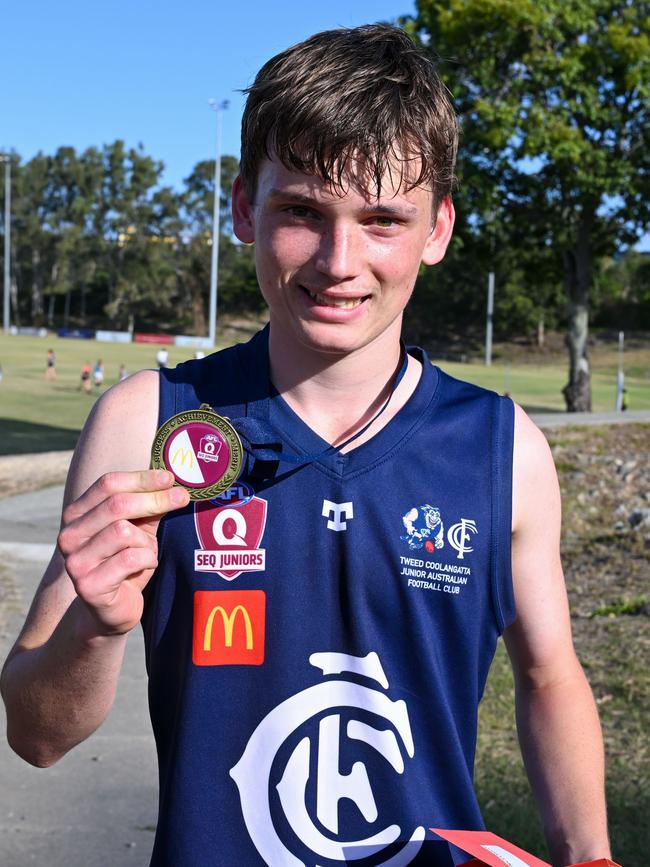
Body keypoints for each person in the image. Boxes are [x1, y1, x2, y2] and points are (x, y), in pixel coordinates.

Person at [0, 25, 611, 867]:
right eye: (301, 212)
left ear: (436, 231)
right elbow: (36, 736)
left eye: (383, 219)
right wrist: (96, 631)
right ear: (245, 207)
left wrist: (592, 854)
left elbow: (549, 679)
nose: (339, 260)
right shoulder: (149, 423)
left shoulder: (503, 449)